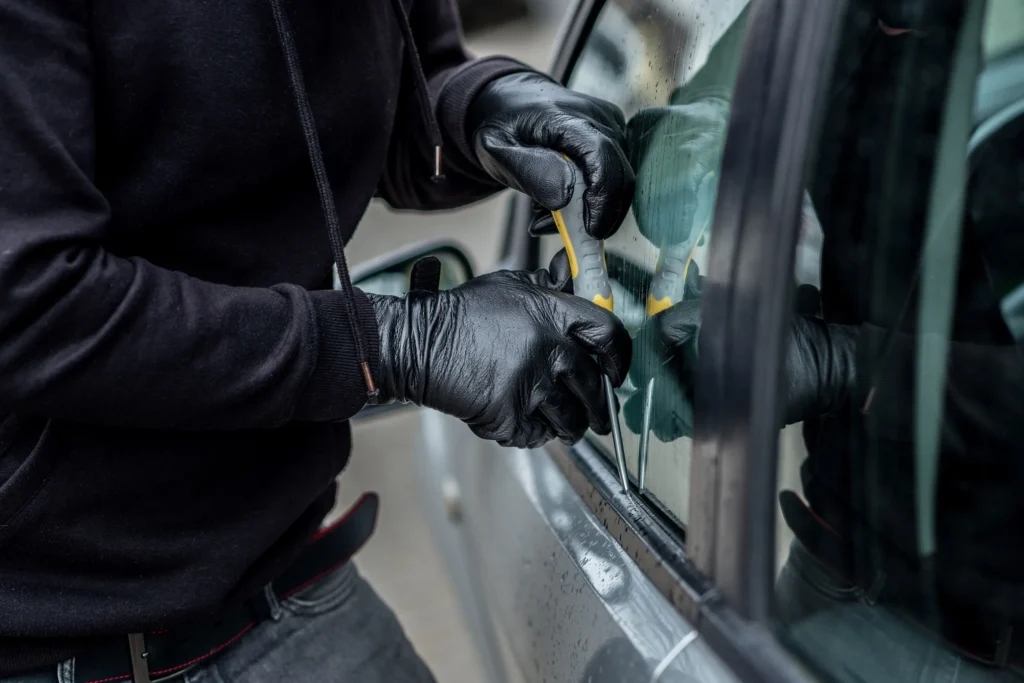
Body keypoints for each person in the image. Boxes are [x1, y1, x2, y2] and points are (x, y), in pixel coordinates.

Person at [0, 0, 636, 681]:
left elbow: (386, 105)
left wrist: (477, 110)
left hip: (284, 586)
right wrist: (390, 345)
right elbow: (31, 305)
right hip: (51, 643)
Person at [625, 0, 1024, 680]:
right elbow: (730, 84)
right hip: (829, 571)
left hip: (992, 637)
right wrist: (702, 125)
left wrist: (843, 363)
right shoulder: (838, 17)